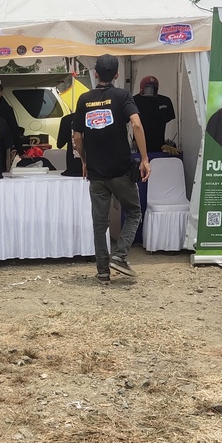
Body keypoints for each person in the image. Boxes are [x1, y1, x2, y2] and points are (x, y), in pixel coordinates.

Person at [72, 54, 150, 284]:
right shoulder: (122, 95)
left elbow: (77, 137)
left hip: (96, 173)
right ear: (116, 74)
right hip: (121, 170)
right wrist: (145, 158)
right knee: (134, 212)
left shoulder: (84, 99)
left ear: (95, 73)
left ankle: (103, 273)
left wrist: (84, 160)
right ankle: (120, 255)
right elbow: (136, 124)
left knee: (100, 224)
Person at [132, 75, 175, 152]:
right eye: (147, 88)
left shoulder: (165, 101)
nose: (150, 90)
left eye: (152, 88)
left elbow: (169, 116)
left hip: (159, 144)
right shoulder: (133, 101)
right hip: (139, 145)